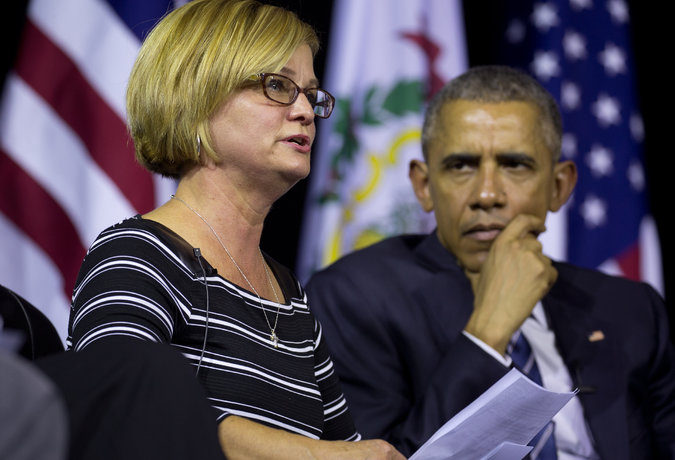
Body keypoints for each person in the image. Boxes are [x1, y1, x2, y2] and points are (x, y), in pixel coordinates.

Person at [66, 1, 404, 459]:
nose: (305, 110)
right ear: (197, 98)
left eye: (311, 93)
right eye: (278, 85)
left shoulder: (291, 297)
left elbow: (346, 450)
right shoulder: (137, 257)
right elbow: (119, 411)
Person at [306, 65, 675, 459]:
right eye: (461, 165)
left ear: (559, 186)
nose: (486, 194)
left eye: (515, 165)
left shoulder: (630, 309)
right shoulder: (352, 298)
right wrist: (489, 334)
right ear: (424, 186)